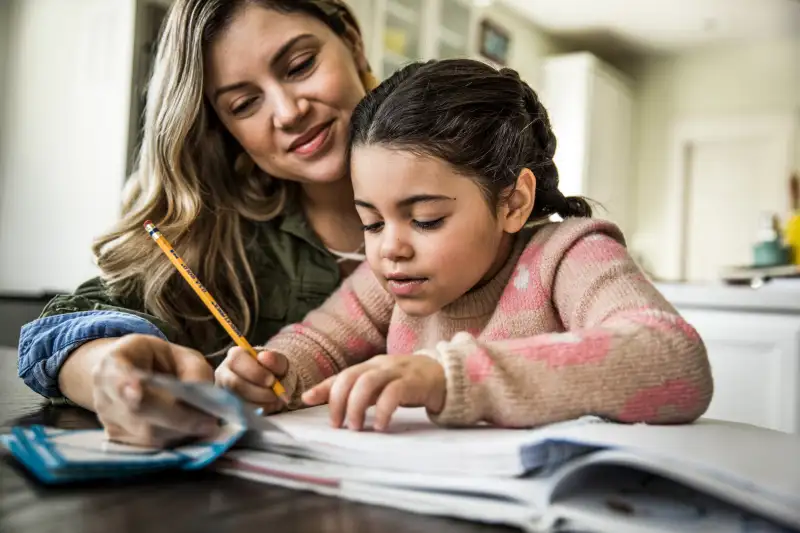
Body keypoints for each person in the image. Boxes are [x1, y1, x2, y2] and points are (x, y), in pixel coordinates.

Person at [217, 58, 714, 431]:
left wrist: (450, 376)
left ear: (513, 202)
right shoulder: (390, 279)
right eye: (370, 222)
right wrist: (273, 372)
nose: (391, 247)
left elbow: (674, 358)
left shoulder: (569, 255)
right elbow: (317, 343)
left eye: (427, 219)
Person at [17, 0, 379, 446]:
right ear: (223, 126)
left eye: (300, 66)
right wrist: (111, 375)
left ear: (354, 44)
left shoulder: (478, 171)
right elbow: (57, 330)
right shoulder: (220, 242)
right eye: (245, 103)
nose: (288, 112)